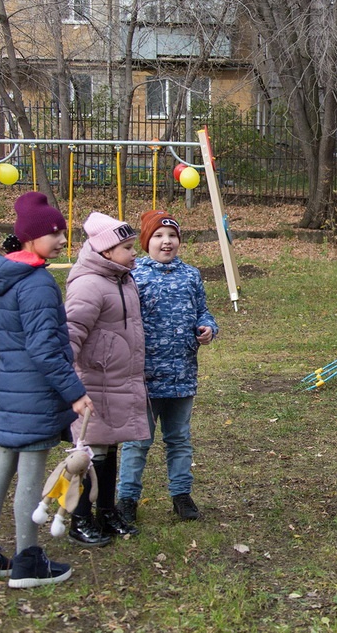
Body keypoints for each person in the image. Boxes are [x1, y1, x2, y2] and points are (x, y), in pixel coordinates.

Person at [0, 191, 92, 588]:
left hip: (12, 390)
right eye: (54, 233)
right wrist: (74, 392)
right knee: (31, 476)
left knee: (2, 468)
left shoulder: (7, 274)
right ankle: (27, 561)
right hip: (35, 393)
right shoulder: (36, 283)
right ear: (30, 236)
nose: (61, 241)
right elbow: (44, 348)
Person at [116, 211, 218, 523]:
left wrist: (207, 326)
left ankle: (181, 496)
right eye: (158, 236)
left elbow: (203, 310)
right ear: (146, 242)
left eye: (172, 236)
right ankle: (127, 499)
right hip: (143, 377)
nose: (166, 241)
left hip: (182, 374)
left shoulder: (191, 275)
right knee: (138, 442)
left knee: (179, 439)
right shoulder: (133, 277)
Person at [64, 212, 150, 544]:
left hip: (118, 380)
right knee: (90, 453)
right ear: (105, 251)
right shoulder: (89, 284)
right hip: (93, 383)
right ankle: (80, 518)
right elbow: (70, 335)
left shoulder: (121, 278)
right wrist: (68, 385)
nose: (134, 253)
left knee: (110, 448)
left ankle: (106, 512)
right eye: (127, 247)